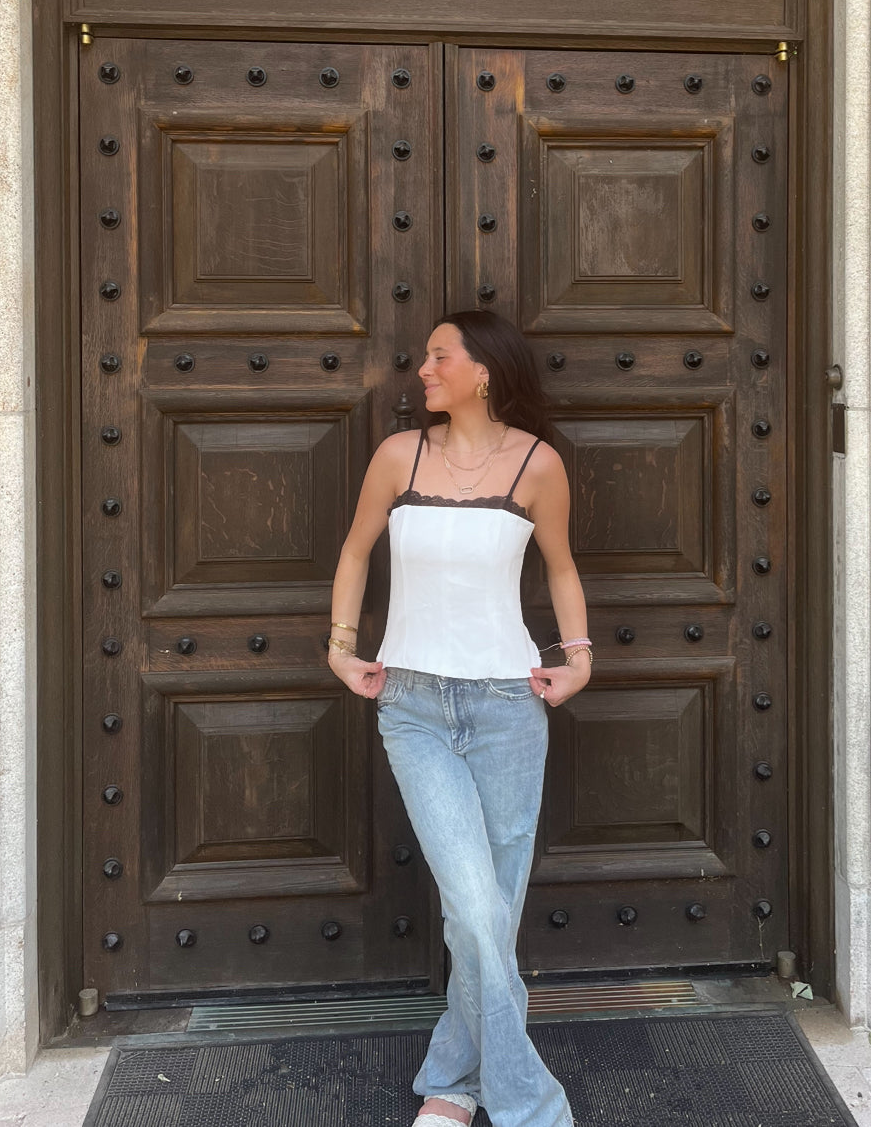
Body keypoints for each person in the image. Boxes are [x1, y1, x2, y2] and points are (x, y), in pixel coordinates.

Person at [327, 310, 591, 1127]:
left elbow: (561, 566)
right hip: (412, 706)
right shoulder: (397, 456)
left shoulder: (538, 466)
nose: (423, 370)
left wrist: (578, 657)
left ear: (484, 371)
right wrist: (341, 645)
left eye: (440, 356)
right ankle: (531, 1106)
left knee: (493, 912)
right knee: (474, 909)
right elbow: (356, 550)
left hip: (509, 705)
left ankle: (454, 1081)